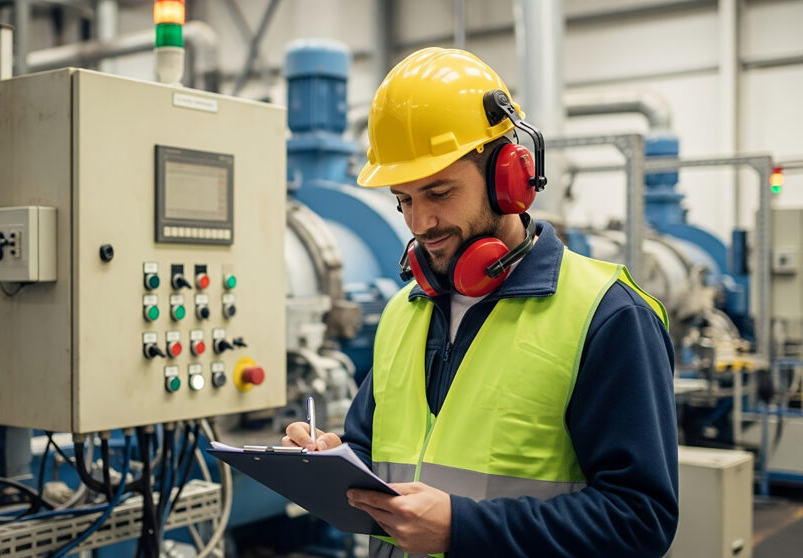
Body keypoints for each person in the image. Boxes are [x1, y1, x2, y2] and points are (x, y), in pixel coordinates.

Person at [283, 48, 678, 557]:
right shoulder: (406, 311)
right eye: (404, 200)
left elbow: (640, 520)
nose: (420, 223)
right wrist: (337, 461)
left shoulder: (608, 316)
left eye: (439, 192)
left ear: (509, 176)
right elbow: (377, 451)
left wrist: (464, 528)